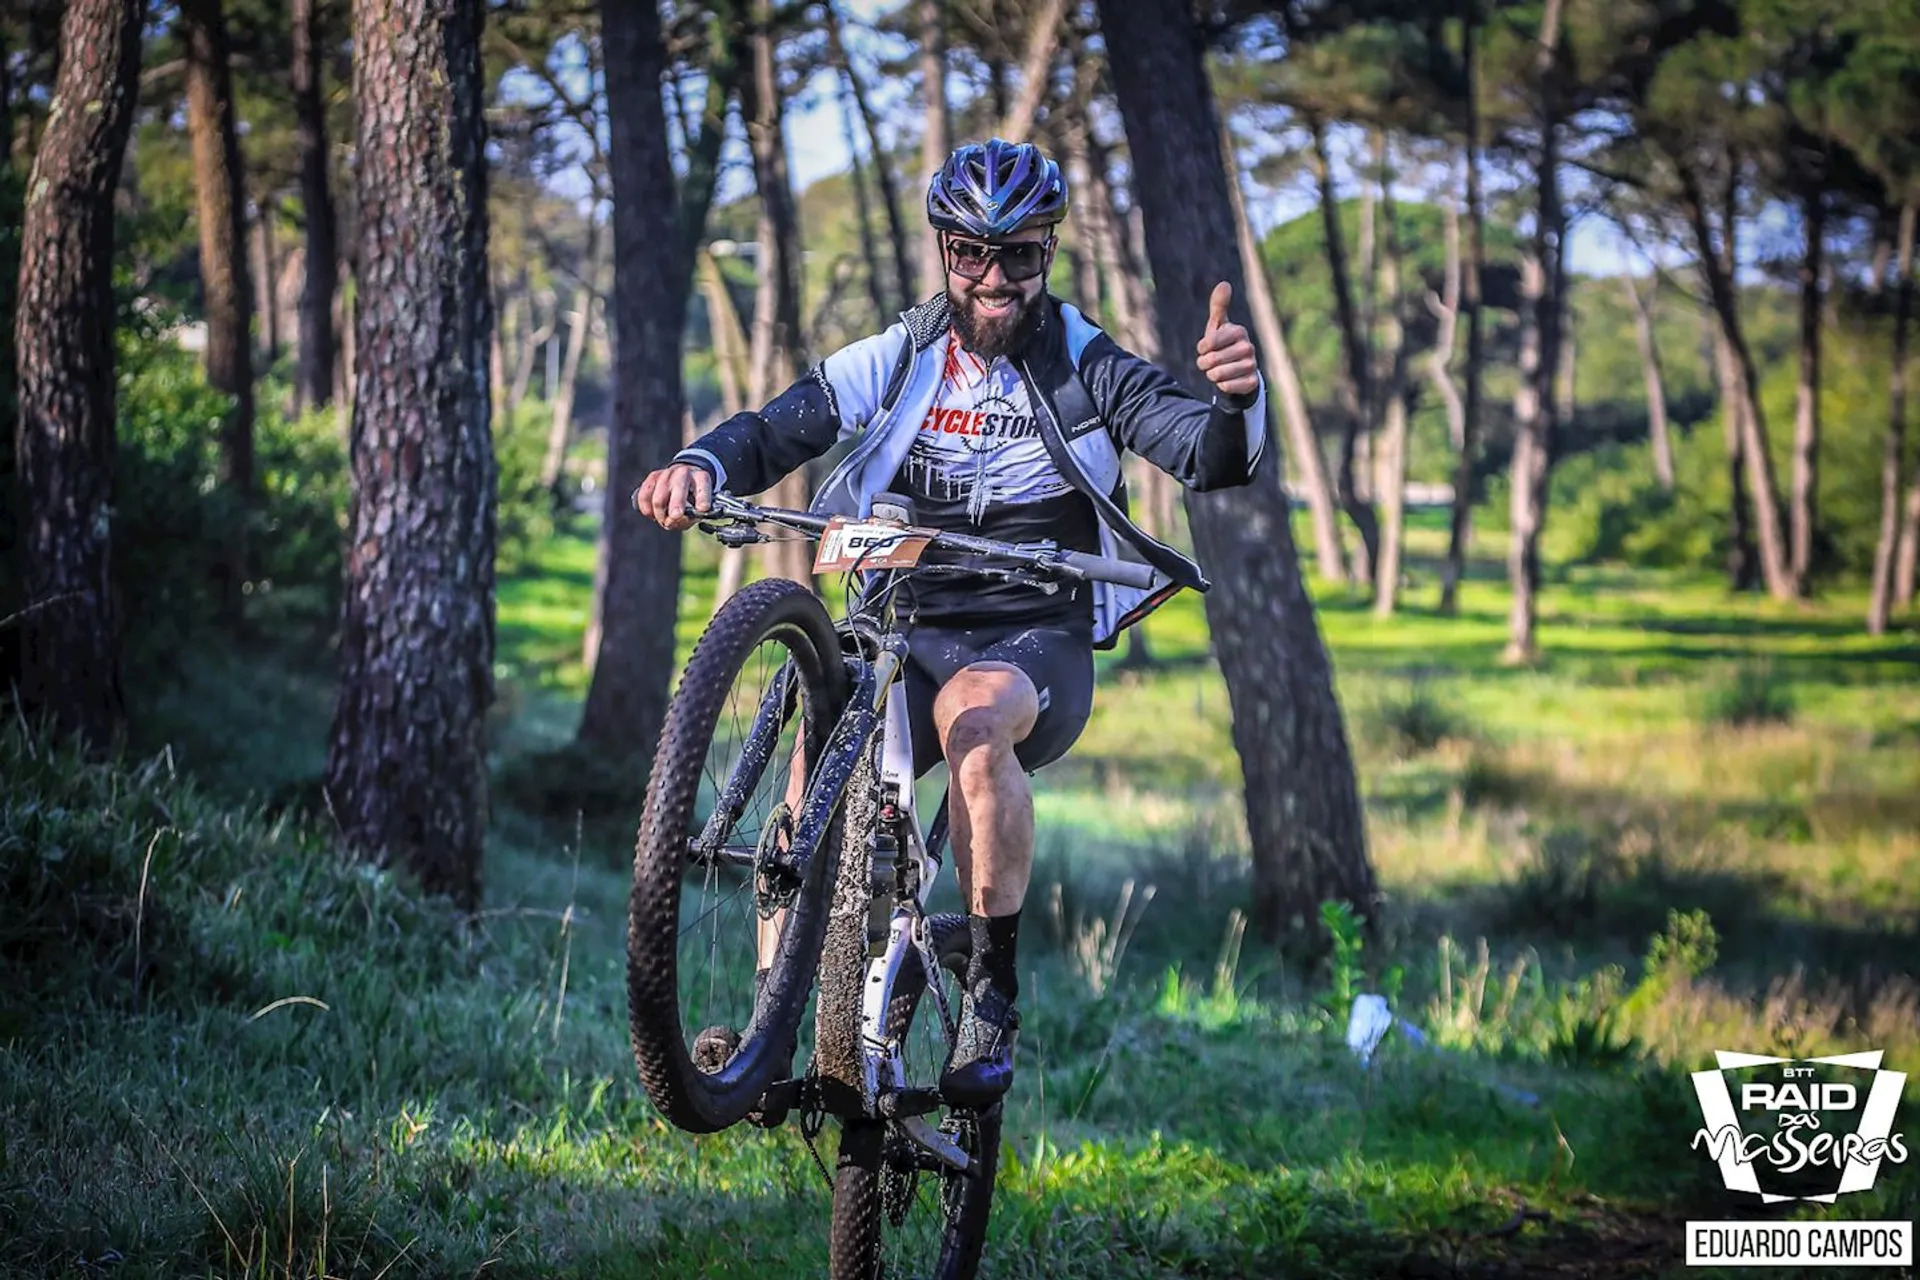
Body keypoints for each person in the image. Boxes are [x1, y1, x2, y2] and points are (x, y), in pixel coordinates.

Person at [635, 138, 1266, 1106]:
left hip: (1032, 633)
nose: (993, 278)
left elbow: (1203, 453)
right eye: (970, 252)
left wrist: (1235, 401)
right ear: (944, 250)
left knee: (973, 724)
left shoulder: (1083, 360)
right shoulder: (903, 351)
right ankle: (771, 1021)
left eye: (1018, 255)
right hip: (907, 619)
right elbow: (785, 421)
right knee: (814, 771)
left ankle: (989, 989)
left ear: (1047, 253)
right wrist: (705, 463)